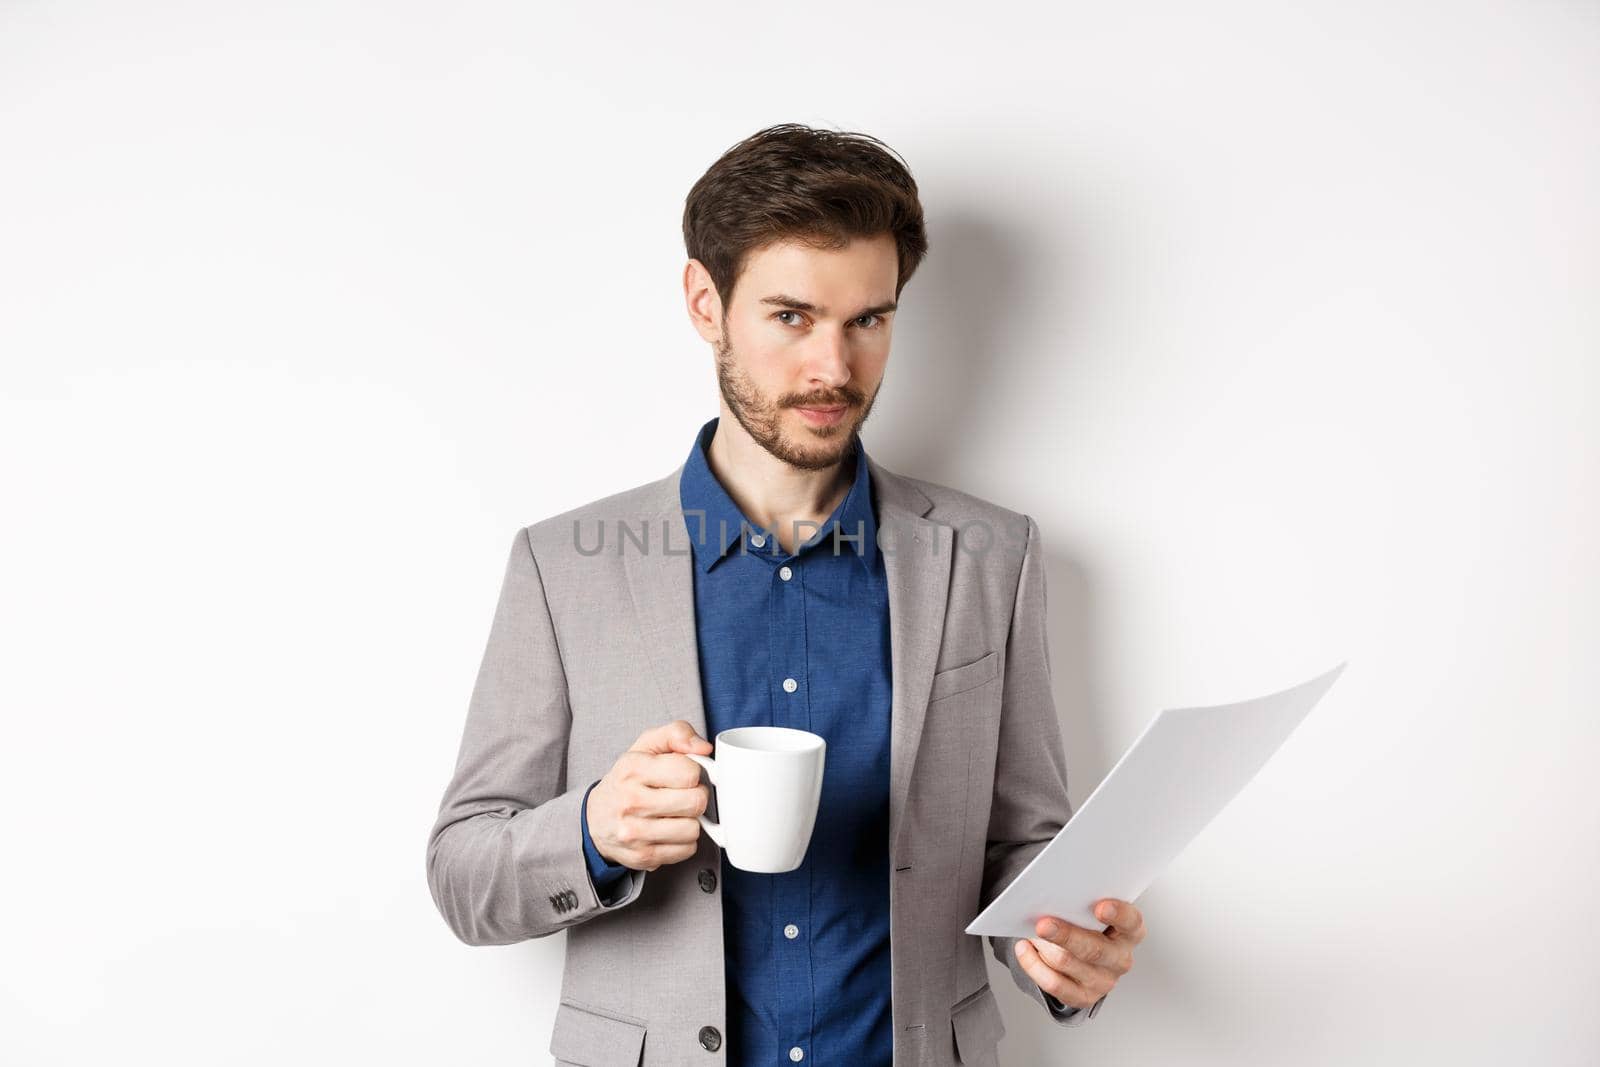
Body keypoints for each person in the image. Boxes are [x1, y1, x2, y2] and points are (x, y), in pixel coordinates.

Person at [425, 123, 1146, 1067]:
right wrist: (596, 828)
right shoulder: (564, 565)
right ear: (705, 303)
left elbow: (1024, 846)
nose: (835, 370)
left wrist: (1060, 948)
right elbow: (462, 873)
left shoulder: (991, 555)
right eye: (792, 317)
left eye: (869, 320)